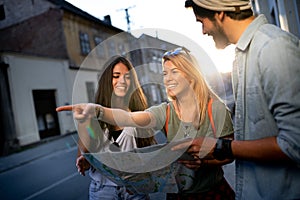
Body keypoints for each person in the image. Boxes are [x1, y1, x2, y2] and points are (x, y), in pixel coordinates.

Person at [57, 47, 235, 199]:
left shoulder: (217, 110)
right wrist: (96, 111)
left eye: (175, 72)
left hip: (210, 192)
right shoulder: (164, 111)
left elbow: (231, 152)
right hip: (170, 194)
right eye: (165, 73)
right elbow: (127, 119)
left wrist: (201, 162)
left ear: (191, 75)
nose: (168, 78)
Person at [173, 0, 300, 199]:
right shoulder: (243, 56)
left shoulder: (273, 48)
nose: (203, 31)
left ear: (219, 13)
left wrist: (222, 147)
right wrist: (222, 152)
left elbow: (294, 143)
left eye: (202, 22)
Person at [75, 55, 156, 200]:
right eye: (116, 76)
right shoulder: (93, 116)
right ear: (107, 80)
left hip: (134, 190)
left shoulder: (139, 115)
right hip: (102, 191)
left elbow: (149, 156)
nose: (122, 81)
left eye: (127, 77)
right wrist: (85, 161)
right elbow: (84, 157)